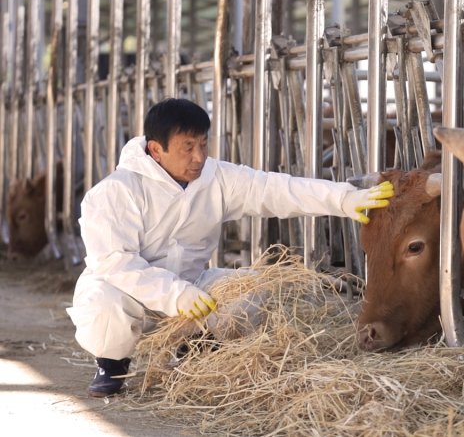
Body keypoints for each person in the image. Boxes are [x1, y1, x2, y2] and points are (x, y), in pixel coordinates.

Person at [66, 98, 394, 398]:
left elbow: (276, 189)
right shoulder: (114, 193)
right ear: (155, 149)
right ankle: (111, 364)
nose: (199, 157)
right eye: (187, 147)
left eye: (203, 145)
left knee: (249, 291)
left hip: (192, 284)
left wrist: (343, 198)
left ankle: (192, 351)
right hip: (126, 290)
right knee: (104, 304)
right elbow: (116, 263)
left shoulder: (216, 177)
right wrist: (174, 294)